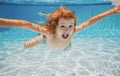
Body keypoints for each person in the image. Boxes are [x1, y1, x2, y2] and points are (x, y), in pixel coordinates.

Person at [0, 5, 120, 50]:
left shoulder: (73, 31)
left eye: (70, 26)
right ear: (55, 26)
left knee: (68, 44)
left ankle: (68, 44)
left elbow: (90, 22)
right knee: (26, 46)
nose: (67, 29)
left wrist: (113, 11)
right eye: (62, 25)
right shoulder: (49, 32)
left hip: (65, 45)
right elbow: (26, 24)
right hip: (45, 42)